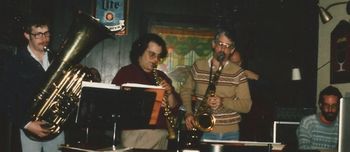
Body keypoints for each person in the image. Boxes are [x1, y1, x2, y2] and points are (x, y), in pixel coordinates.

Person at [0, 15, 64, 152]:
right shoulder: (15, 62)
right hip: (28, 128)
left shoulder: (57, 58)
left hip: (56, 125)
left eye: (47, 33)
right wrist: (27, 124)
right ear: (27, 35)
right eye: (38, 35)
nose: (44, 39)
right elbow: (5, 99)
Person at [180, 28, 252, 140]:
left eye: (227, 46)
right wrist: (188, 112)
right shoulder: (198, 66)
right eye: (220, 44)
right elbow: (186, 90)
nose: (223, 49)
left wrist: (223, 102)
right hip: (202, 129)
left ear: (232, 50)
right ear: (213, 44)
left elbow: (247, 105)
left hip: (230, 133)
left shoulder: (238, 72)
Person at [111, 33, 180, 150]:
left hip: (162, 134)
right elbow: (116, 104)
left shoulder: (161, 76)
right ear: (140, 52)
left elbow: (174, 106)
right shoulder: (126, 72)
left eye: (158, 56)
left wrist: (169, 93)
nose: (155, 60)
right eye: (151, 54)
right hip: (136, 133)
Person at [296, 85, 341, 150]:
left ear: (339, 106)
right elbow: (304, 149)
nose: (330, 110)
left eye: (334, 106)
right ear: (320, 105)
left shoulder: (341, 125)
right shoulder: (308, 123)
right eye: (326, 106)